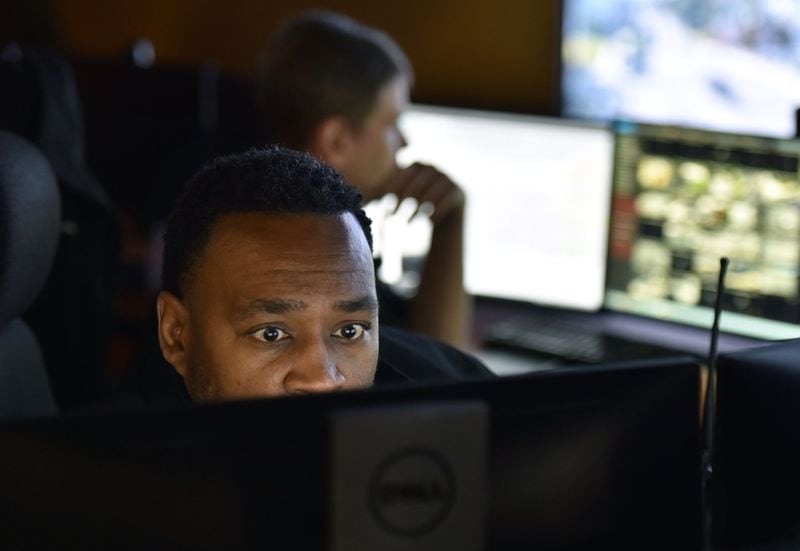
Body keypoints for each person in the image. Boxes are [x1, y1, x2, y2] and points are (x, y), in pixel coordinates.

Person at [152, 146, 490, 403]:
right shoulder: (114, 475)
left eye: (349, 330)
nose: (322, 380)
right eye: (271, 334)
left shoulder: (464, 409)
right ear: (176, 335)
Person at [255, 10, 471, 349]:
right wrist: (452, 223)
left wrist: (448, 221)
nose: (403, 142)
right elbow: (445, 369)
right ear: (337, 140)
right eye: (391, 124)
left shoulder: (248, 222)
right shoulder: (323, 266)